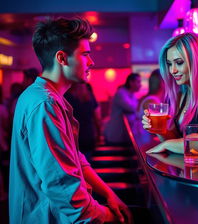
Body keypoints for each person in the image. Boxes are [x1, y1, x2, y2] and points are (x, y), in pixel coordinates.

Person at [9, 17, 131, 224]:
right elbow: (62, 187)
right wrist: (108, 217)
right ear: (62, 58)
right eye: (85, 54)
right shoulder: (45, 104)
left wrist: (109, 193)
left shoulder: (48, 97)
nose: (91, 62)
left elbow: (75, 159)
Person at [142, 33, 198, 155]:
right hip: (194, 167)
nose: (172, 70)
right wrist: (159, 130)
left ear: (197, 61)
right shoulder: (182, 92)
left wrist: (166, 144)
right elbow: (176, 140)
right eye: (169, 64)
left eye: (179, 62)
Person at [65, 82, 102, 159]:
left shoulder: (67, 97)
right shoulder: (90, 96)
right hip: (88, 133)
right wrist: (99, 133)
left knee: (75, 161)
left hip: (73, 134)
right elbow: (96, 118)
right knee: (87, 161)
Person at [104, 73, 141, 145]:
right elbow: (132, 108)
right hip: (116, 136)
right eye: (138, 82)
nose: (140, 85)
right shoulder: (121, 93)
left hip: (122, 135)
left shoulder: (131, 94)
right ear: (131, 82)